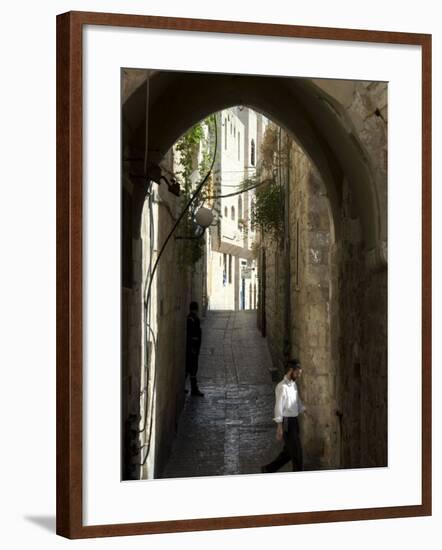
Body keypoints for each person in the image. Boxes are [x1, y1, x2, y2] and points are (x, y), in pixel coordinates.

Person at [261, 359, 305, 473]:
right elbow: (278, 407)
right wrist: (279, 426)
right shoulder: (281, 387)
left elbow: (297, 401)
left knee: (288, 453)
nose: (298, 376)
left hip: (294, 422)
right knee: (297, 454)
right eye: (297, 373)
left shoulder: (293, 385)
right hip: (286, 423)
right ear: (291, 370)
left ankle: (268, 469)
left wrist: (304, 410)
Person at [185, 301, 204, 397]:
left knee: (190, 368)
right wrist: (193, 347)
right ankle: (194, 389)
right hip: (193, 348)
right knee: (192, 368)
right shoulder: (191, 319)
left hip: (193, 348)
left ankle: (190, 388)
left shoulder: (191, 318)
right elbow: (191, 335)